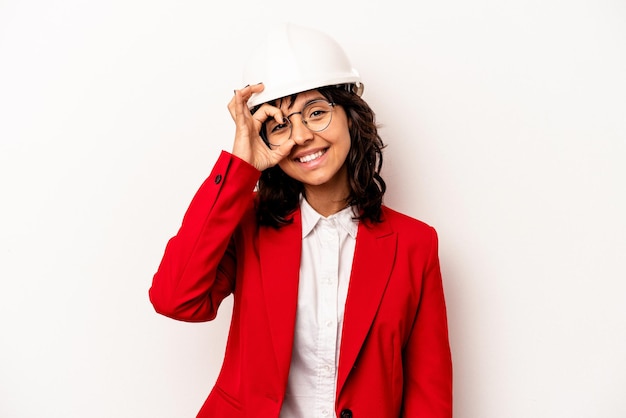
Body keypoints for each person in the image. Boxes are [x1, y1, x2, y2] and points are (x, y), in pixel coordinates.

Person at [149, 22, 452, 418]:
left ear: (350, 116)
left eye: (316, 112)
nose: (303, 136)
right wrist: (241, 167)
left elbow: (428, 394)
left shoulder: (415, 244)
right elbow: (175, 299)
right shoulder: (247, 223)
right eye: (280, 125)